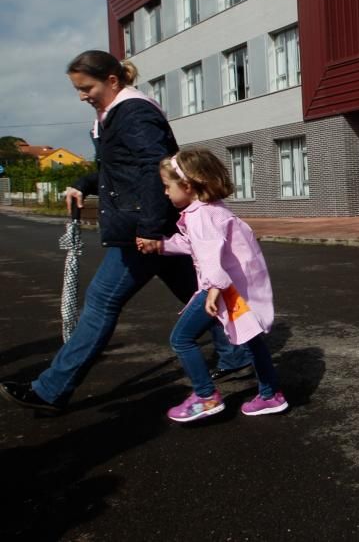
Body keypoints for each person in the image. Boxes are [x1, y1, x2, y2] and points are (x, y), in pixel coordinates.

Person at [0, 51, 247, 412]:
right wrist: (83, 183)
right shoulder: (113, 115)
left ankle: (51, 390)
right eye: (77, 89)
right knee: (199, 293)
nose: (81, 95)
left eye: (86, 87)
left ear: (112, 81)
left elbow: (154, 169)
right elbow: (117, 170)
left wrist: (148, 228)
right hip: (151, 225)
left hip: (142, 230)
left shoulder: (134, 113)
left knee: (101, 304)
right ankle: (238, 355)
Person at [139, 149, 286, 421]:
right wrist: (162, 245)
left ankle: (206, 397)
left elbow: (210, 256)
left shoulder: (199, 216)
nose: (165, 193)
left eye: (167, 186)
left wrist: (213, 291)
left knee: (181, 339)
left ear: (187, 186)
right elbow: (199, 245)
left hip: (218, 287)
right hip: (238, 287)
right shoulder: (214, 210)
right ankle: (270, 395)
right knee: (253, 339)